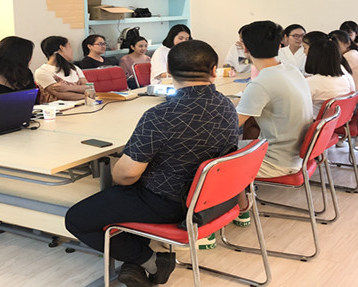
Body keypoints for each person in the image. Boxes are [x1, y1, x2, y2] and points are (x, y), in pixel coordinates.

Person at [65, 40, 239, 287]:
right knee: (121, 198)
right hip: (212, 199)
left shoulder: (161, 115)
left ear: (168, 70)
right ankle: (135, 264)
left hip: (171, 203)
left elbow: (125, 176)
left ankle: (151, 260)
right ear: (213, 70)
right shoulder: (227, 105)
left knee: (77, 219)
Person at [235, 20, 313, 224]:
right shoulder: (291, 70)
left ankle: (239, 207)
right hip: (297, 153)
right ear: (280, 45)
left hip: (277, 160)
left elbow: (230, 125)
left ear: (245, 48)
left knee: (210, 158)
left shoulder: (262, 82)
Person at [304, 38, 356, 118]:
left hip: (316, 122)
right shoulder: (344, 77)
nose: (304, 52)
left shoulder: (310, 83)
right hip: (339, 120)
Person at [34, 36, 87, 101]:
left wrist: (67, 88)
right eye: (69, 46)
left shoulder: (74, 68)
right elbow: (61, 95)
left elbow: (88, 88)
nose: (72, 50)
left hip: (82, 104)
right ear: (62, 48)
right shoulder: (42, 71)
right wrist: (86, 96)